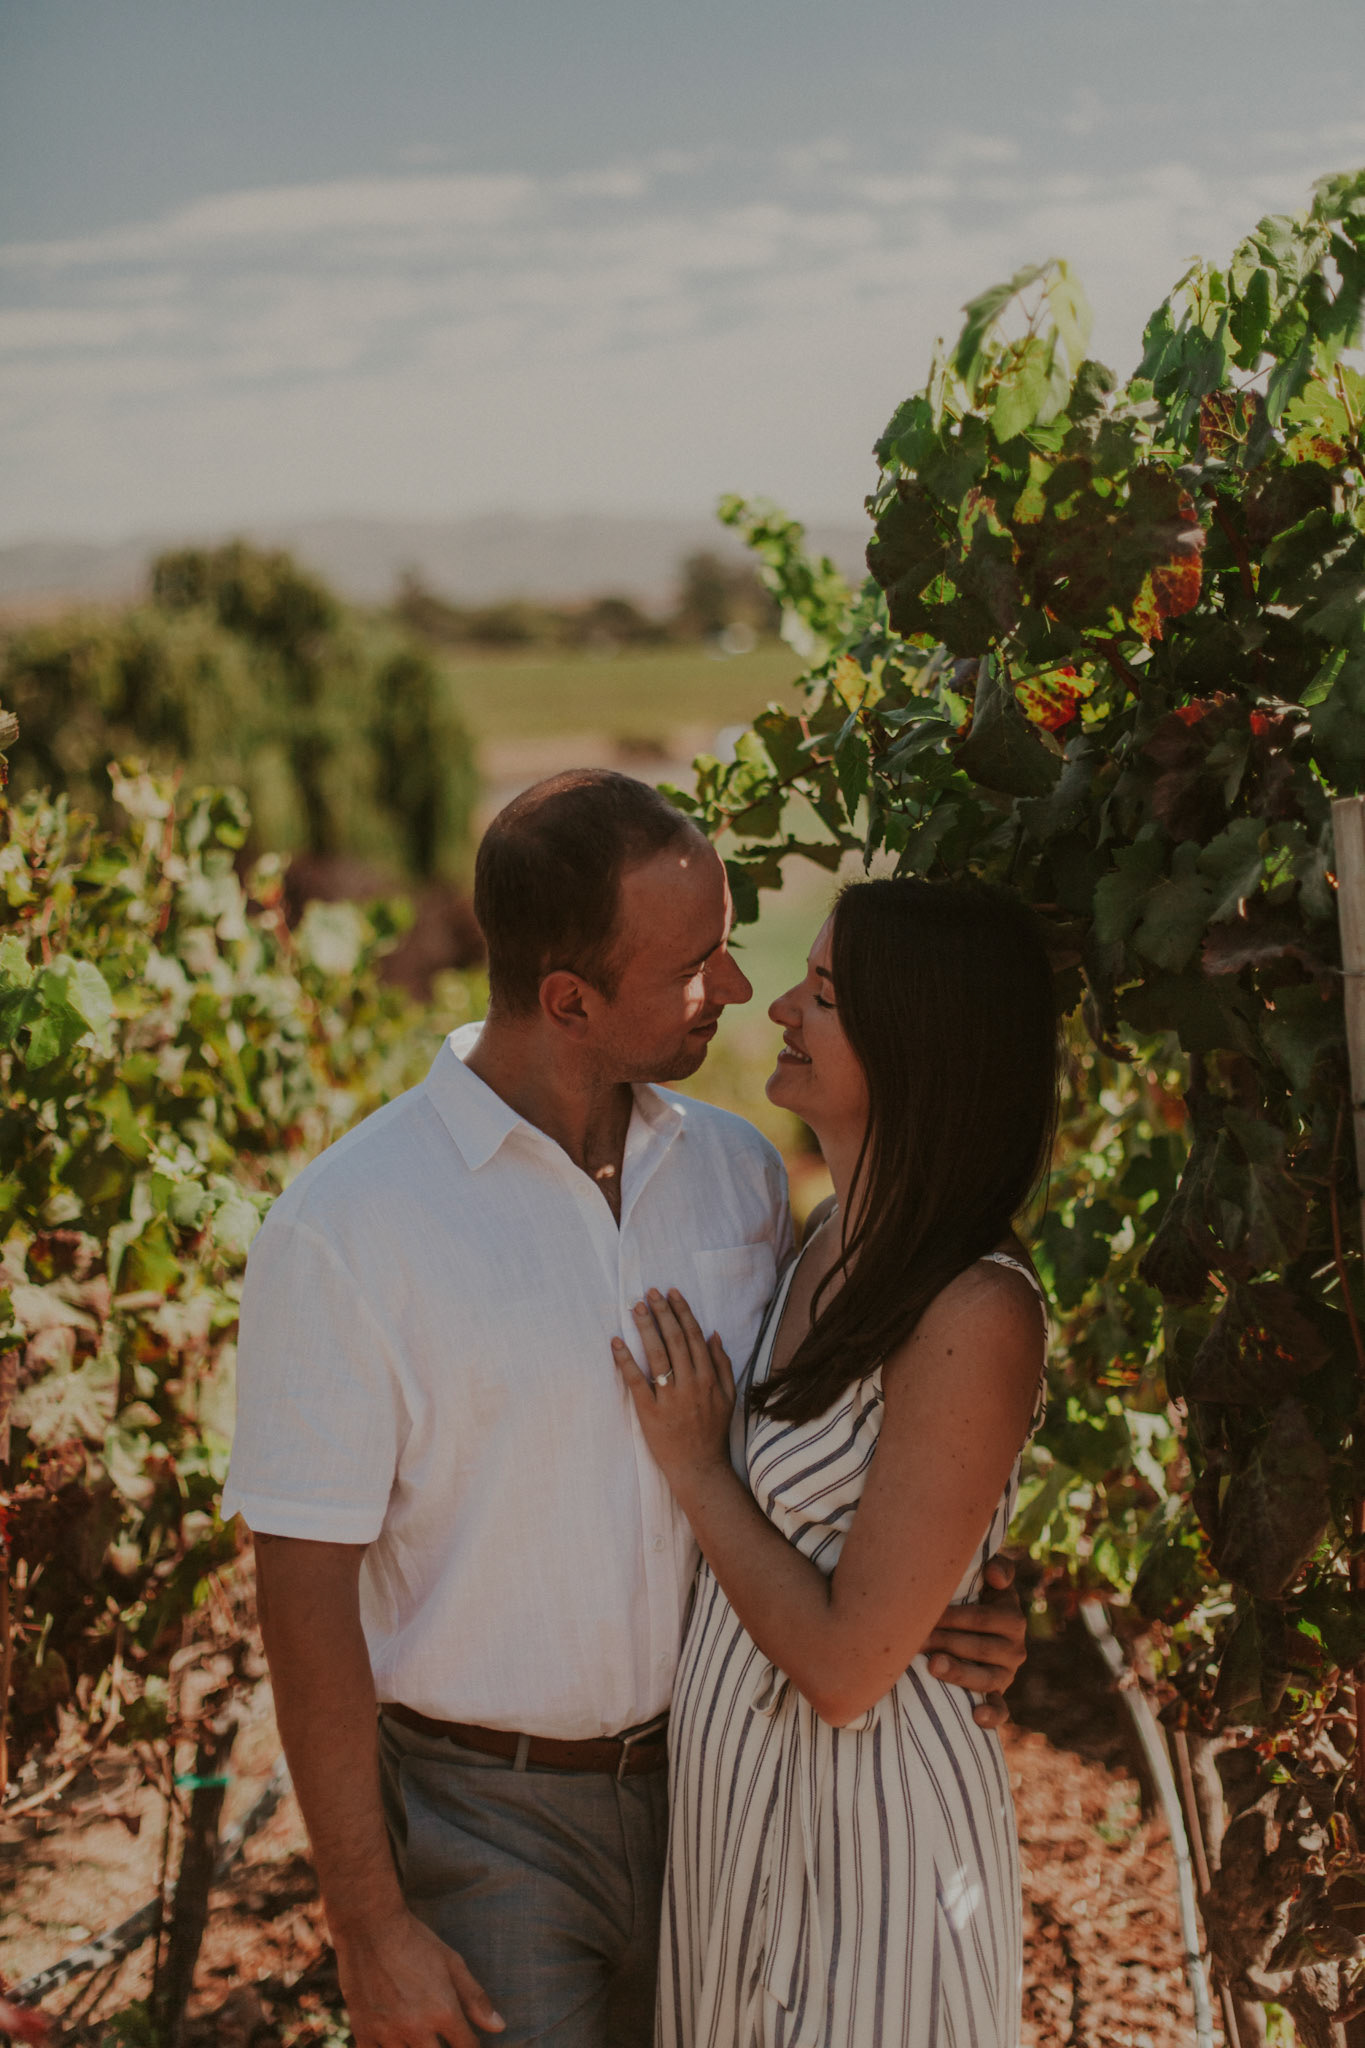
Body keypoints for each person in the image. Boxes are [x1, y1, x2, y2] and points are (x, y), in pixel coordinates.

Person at [223, 772, 1030, 2048]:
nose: (733, 987)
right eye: (695, 963)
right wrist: (364, 1920)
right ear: (569, 1000)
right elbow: (302, 1582)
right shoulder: (350, 1227)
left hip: (736, 1799)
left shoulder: (743, 1175)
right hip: (493, 1819)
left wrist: (969, 1598)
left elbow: (859, 1446)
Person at [614, 877, 1056, 2048]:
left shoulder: (976, 1309)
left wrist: (698, 1466)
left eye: (823, 994)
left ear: (920, 1043)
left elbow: (852, 1669)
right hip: (740, 1849)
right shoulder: (821, 1246)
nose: (781, 1015)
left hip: (871, 1857)